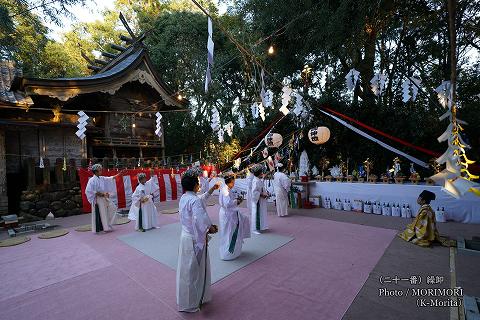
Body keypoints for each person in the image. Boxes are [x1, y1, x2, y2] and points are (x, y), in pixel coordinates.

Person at [176, 168, 220, 313]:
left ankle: (189, 298)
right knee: (194, 270)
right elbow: (200, 218)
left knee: (187, 269)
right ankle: (192, 301)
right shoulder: (193, 200)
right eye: (198, 182)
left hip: (186, 237)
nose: (199, 184)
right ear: (195, 185)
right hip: (195, 239)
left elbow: (200, 200)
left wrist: (212, 189)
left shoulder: (185, 197)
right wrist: (210, 228)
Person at [218, 175, 251, 260]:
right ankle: (229, 252)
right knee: (230, 233)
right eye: (233, 182)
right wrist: (238, 201)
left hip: (228, 212)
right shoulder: (225, 190)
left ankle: (232, 250)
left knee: (229, 232)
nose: (234, 183)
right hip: (228, 214)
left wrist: (236, 200)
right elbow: (227, 203)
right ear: (230, 182)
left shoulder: (226, 189)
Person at [85, 164, 124, 233]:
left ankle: (107, 225)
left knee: (112, 208)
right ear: (96, 172)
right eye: (100, 170)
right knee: (102, 213)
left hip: (103, 198)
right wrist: (102, 194)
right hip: (98, 199)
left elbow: (110, 178)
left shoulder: (101, 178)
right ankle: (103, 228)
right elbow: (90, 191)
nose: (101, 171)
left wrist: (119, 174)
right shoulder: (92, 180)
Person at [250, 164, 269, 234]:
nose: (262, 173)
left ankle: (261, 226)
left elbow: (261, 188)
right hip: (258, 201)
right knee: (256, 213)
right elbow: (254, 192)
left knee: (261, 213)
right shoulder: (256, 181)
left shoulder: (258, 179)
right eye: (261, 172)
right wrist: (261, 195)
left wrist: (265, 193)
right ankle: (255, 229)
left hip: (260, 200)